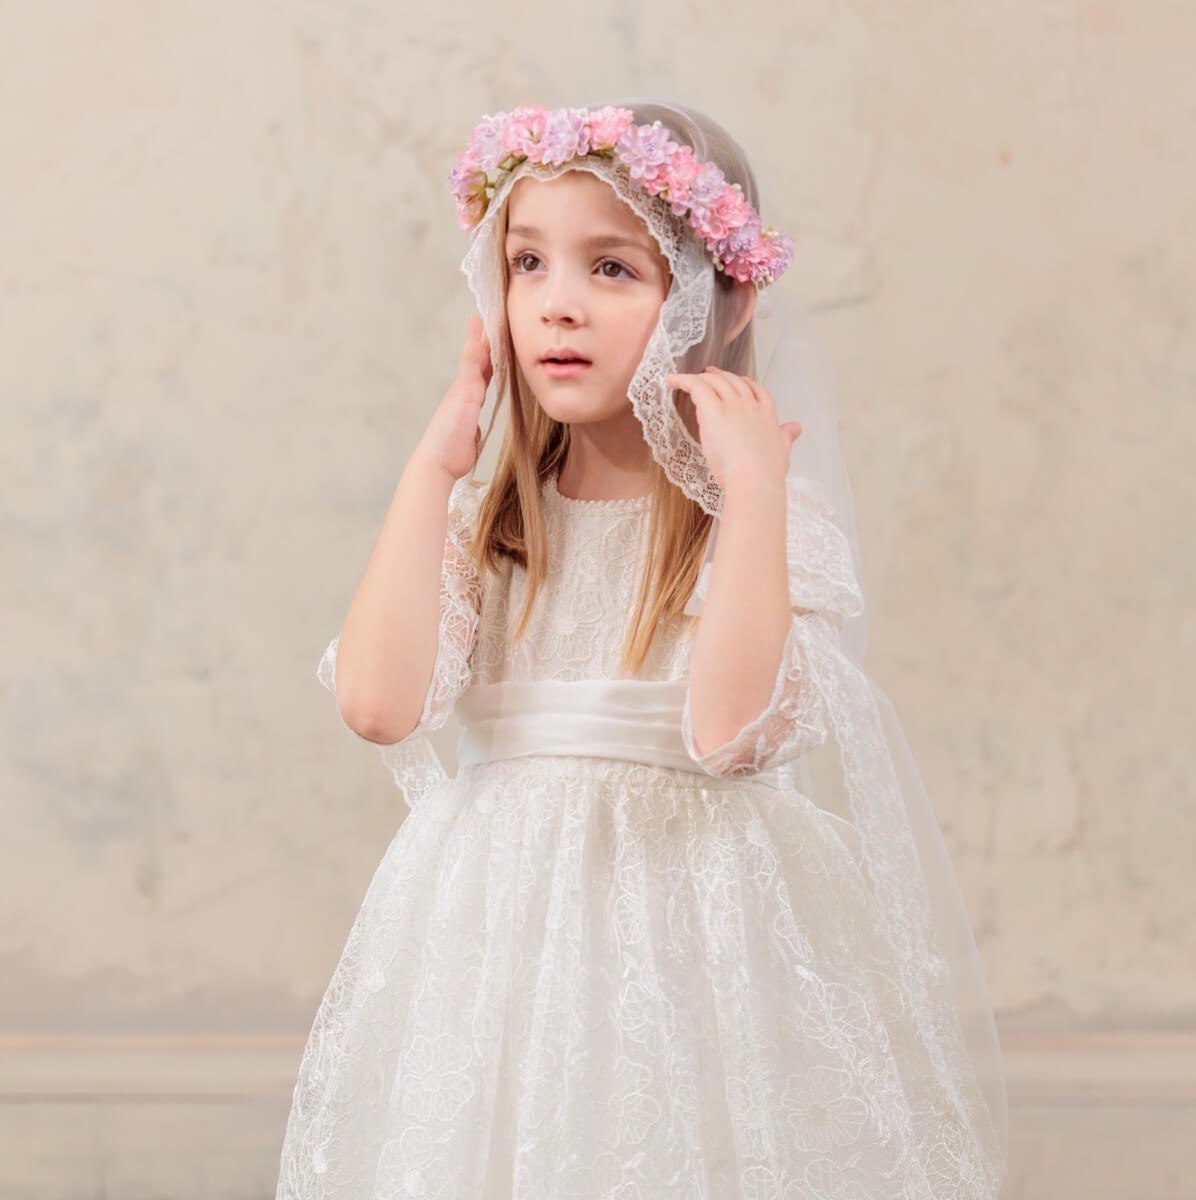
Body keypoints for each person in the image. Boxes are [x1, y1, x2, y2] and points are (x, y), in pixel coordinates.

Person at [275, 101, 1009, 1199]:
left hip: (693, 945)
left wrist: (752, 493)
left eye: (611, 269)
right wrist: (431, 472)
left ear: (716, 296)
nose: (557, 303)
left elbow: (728, 732)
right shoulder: (487, 524)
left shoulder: (754, 525)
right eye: (526, 264)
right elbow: (378, 705)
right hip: (496, 948)